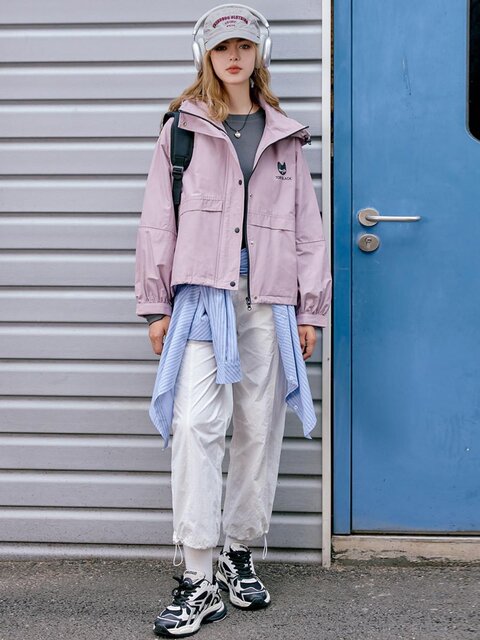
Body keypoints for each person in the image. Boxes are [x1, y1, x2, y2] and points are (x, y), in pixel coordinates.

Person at [135, 4, 332, 637]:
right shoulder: (182, 130)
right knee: (197, 423)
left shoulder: (285, 136)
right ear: (207, 55)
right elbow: (158, 222)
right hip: (202, 296)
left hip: (269, 300)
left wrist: (310, 308)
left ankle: (238, 552)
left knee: (257, 426)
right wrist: (156, 303)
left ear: (259, 53)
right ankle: (197, 574)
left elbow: (307, 229)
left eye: (244, 46)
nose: (234, 57)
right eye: (223, 48)